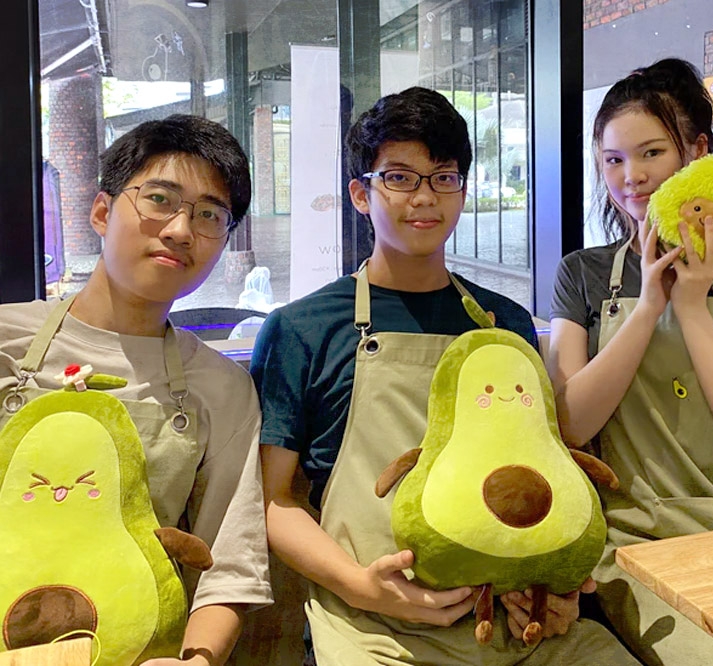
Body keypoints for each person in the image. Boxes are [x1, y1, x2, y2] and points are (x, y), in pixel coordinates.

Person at [250, 87, 639, 666]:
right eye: (400, 178)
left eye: (444, 177)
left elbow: (534, 468)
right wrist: (361, 585)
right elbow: (273, 500)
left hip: (509, 624)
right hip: (373, 629)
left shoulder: (502, 322)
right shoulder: (302, 327)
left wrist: (546, 592)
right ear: (361, 193)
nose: (424, 198)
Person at [548, 58, 713, 666]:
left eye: (651, 153)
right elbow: (570, 426)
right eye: (613, 160)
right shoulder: (583, 274)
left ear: (696, 154)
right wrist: (646, 309)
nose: (631, 177)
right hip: (639, 538)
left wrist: (692, 304)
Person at [0, 115, 272, 664]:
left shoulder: (222, 387)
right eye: (159, 199)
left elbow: (230, 566)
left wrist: (197, 660)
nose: (179, 229)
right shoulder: (7, 338)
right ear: (102, 211)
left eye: (209, 215)